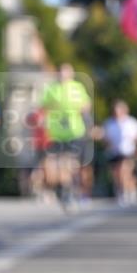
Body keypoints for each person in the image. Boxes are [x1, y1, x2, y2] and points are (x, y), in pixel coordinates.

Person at [41, 64, 91, 208]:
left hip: (74, 131)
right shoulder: (52, 88)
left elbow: (86, 105)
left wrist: (82, 111)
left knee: (68, 162)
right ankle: (65, 187)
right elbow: (43, 106)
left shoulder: (77, 88)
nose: (63, 74)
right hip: (56, 133)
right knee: (56, 165)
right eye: (61, 71)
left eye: (66, 72)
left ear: (72, 73)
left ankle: (68, 188)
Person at [102, 100, 137, 205]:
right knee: (117, 174)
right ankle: (122, 191)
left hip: (128, 151)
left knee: (125, 171)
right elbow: (105, 138)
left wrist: (135, 143)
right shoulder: (109, 123)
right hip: (114, 152)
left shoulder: (131, 122)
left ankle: (128, 192)